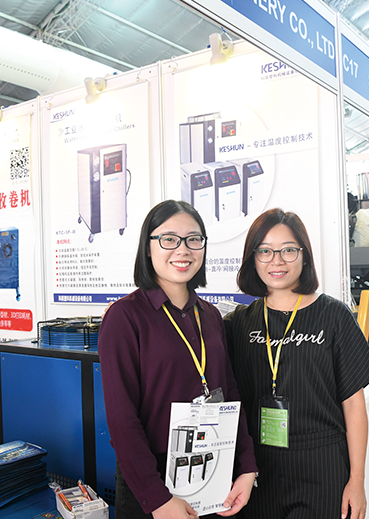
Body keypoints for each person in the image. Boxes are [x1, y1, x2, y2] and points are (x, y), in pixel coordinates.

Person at [98, 200, 257, 519]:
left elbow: (230, 395)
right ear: (148, 247)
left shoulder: (210, 315)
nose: (183, 250)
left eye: (193, 239)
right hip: (153, 481)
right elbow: (122, 419)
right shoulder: (124, 317)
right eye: (169, 239)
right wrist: (158, 500)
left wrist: (246, 467)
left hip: (213, 470)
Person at [224, 208, 369, 519]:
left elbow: (353, 405)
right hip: (258, 466)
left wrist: (357, 480)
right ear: (253, 259)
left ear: (305, 256)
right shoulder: (239, 323)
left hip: (321, 462)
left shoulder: (334, 316)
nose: (277, 261)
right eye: (265, 251)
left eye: (288, 250)